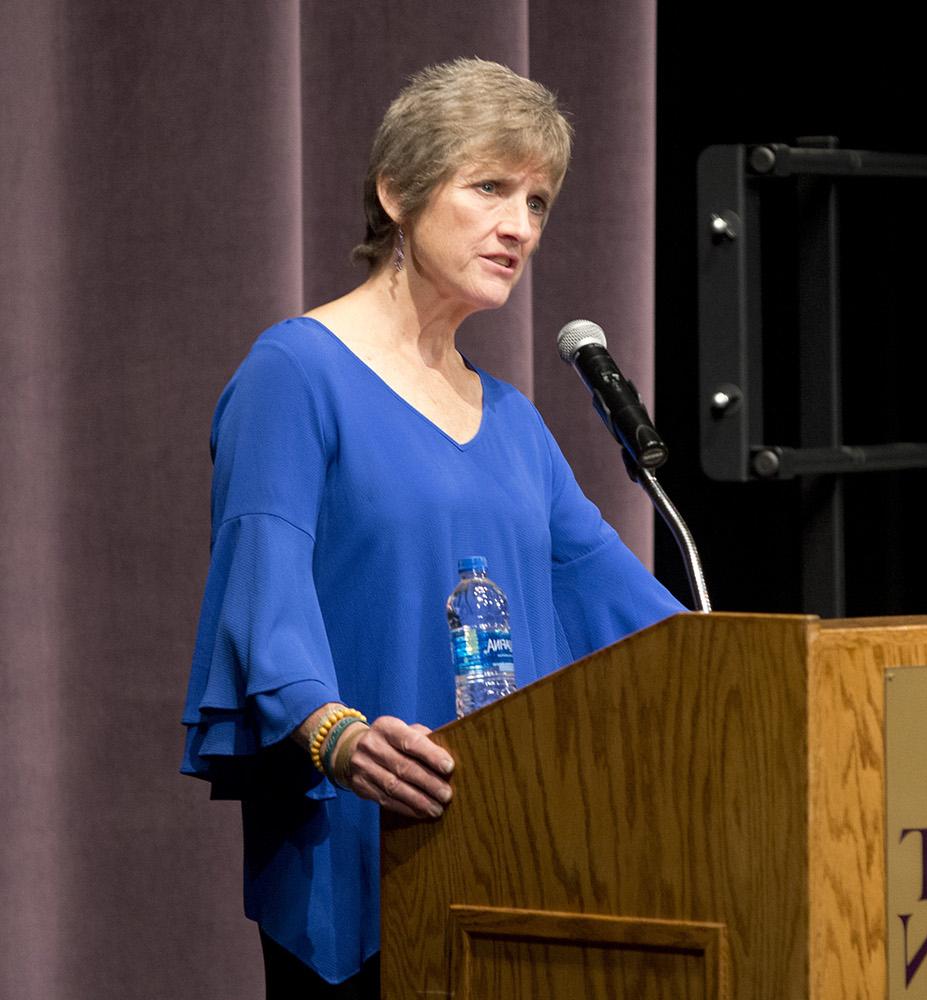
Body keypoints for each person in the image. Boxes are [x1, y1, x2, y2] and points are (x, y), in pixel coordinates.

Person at [180, 58, 683, 996]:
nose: (518, 227)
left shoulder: (515, 423)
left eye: (537, 201)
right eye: (489, 188)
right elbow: (264, 588)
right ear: (397, 192)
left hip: (513, 864)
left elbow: (632, 613)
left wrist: (784, 669)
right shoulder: (296, 372)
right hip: (369, 848)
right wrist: (339, 736)